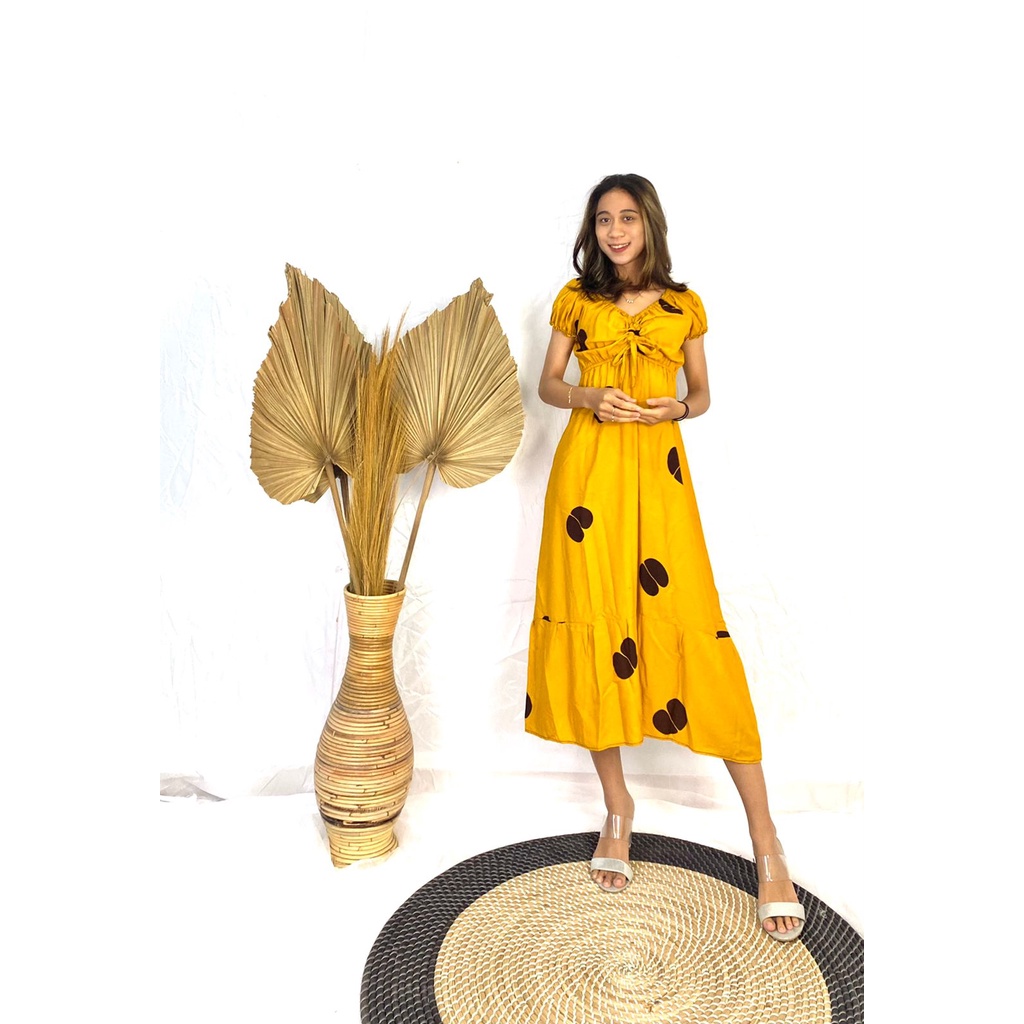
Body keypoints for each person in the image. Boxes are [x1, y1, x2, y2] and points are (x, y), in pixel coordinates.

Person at [525, 173, 805, 940]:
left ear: (649, 224)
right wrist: (589, 397)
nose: (615, 231)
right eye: (603, 219)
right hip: (586, 487)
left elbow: (702, 393)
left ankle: (766, 838)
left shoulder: (685, 306)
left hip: (661, 481)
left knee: (693, 628)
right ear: (592, 231)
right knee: (594, 625)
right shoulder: (576, 300)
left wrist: (675, 406)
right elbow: (548, 384)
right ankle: (618, 807)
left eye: (627, 217)